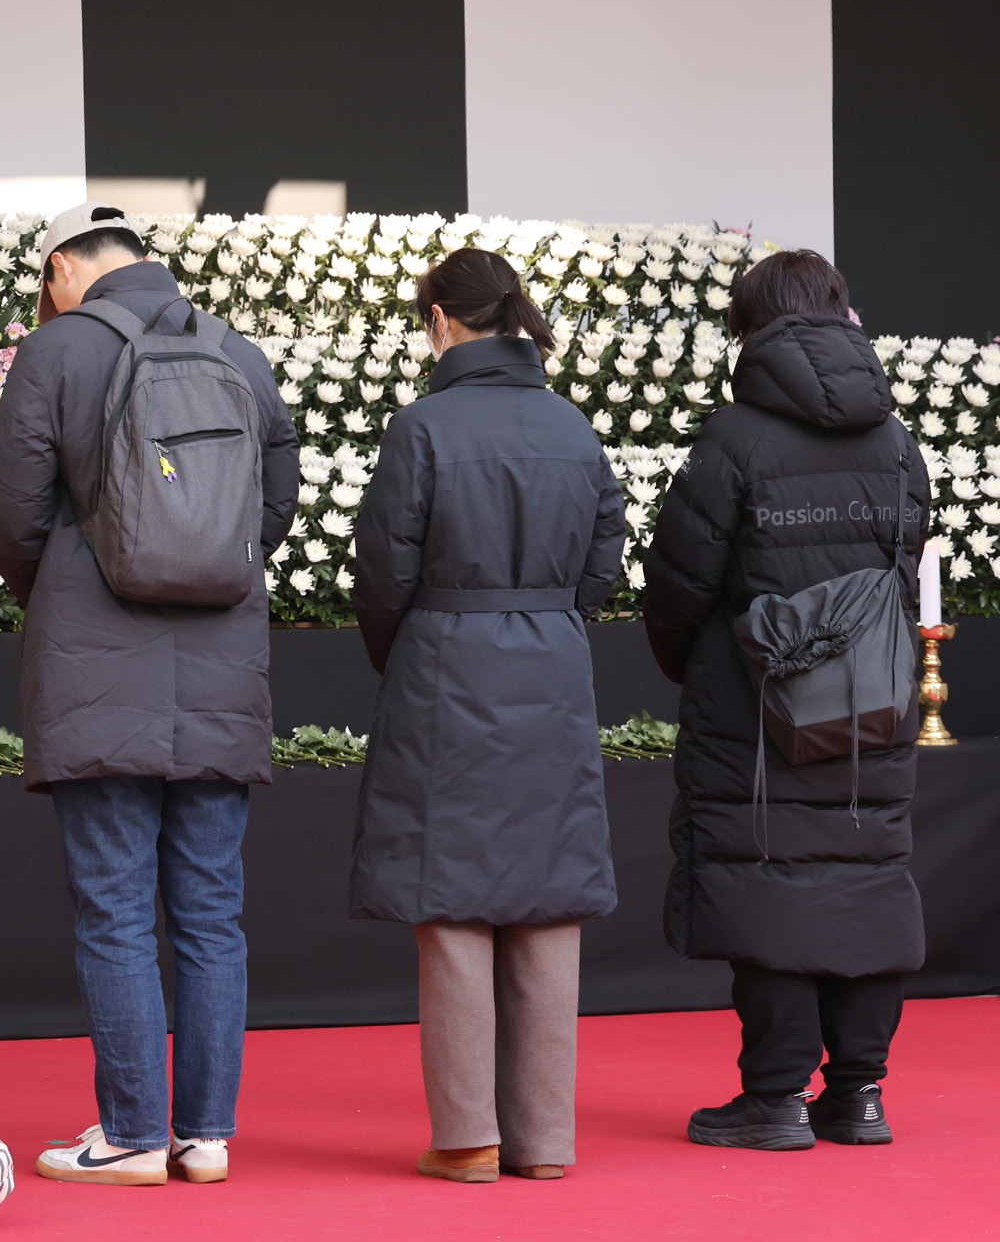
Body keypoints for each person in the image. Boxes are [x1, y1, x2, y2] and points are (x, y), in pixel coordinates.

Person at [0, 203, 301, 1186]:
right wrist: (206, 564)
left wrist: (66, 587)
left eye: (44, 279)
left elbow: (8, 508)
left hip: (93, 666)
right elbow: (273, 500)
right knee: (210, 908)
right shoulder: (235, 351)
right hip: (221, 664)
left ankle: (125, 1130)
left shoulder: (57, 351)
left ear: (67, 266)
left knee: (113, 904)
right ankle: (203, 1135)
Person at [350, 247, 626, 1184]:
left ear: (440, 319)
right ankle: (546, 1144)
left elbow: (384, 570)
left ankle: (468, 1138)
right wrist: (550, 620)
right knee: (550, 897)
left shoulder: (420, 427)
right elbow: (605, 556)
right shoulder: (572, 426)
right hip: (552, 661)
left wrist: (409, 649)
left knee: (452, 893)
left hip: (445, 660)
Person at [643, 249, 927, 1150]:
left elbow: (680, 581)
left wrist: (691, 661)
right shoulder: (893, 440)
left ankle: (773, 1099)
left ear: (751, 327)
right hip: (873, 698)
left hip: (757, 700)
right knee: (865, 877)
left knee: (768, 883)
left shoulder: (736, 438)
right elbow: (907, 555)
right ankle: (858, 1095)